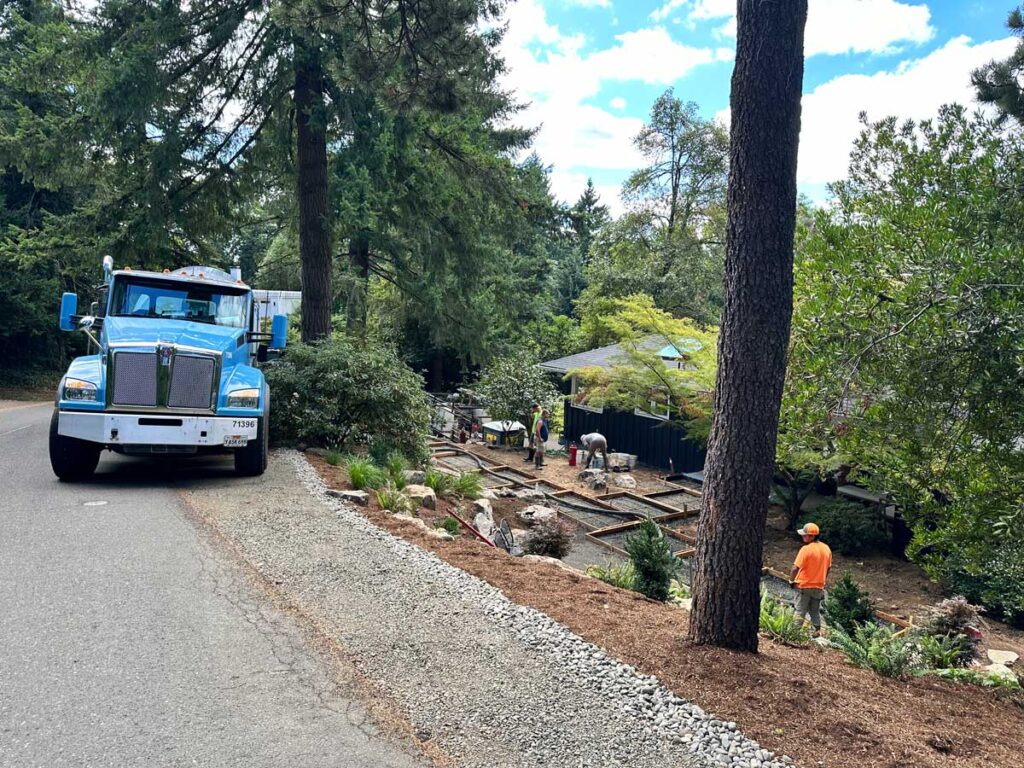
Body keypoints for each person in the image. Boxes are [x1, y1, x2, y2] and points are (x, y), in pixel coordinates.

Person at [790, 522, 833, 636]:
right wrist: (822, 580)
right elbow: (828, 568)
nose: (803, 536)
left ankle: (793, 634)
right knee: (815, 611)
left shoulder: (806, 549)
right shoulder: (826, 549)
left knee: (800, 611)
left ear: (812, 536)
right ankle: (817, 632)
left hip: (803, 585)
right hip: (818, 586)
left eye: (805, 535)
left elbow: (795, 568)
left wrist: (791, 581)